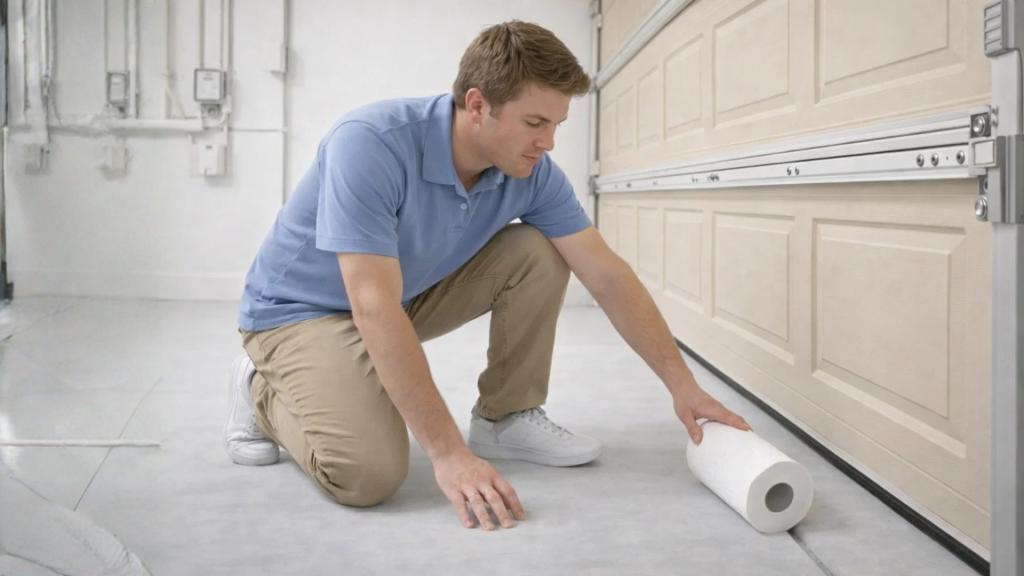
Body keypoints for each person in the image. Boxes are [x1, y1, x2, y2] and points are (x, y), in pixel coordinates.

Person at [225, 20, 751, 531]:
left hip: (401, 297)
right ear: (478, 105)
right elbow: (371, 306)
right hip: (299, 314)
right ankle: (259, 388)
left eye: (556, 126)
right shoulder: (370, 143)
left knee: (539, 249)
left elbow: (606, 274)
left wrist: (684, 388)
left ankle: (507, 418)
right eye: (534, 123)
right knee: (367, 475)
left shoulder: (531, 173)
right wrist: (448, 454)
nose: (547, 142)